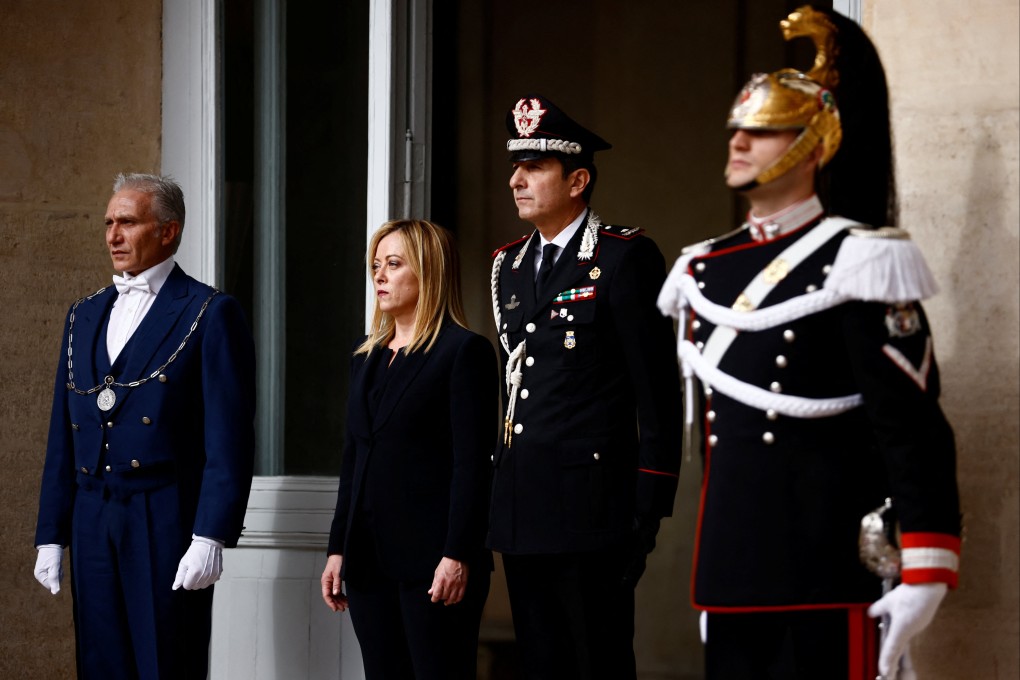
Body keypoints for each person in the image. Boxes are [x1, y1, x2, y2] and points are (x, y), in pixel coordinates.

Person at [657, 7, 961, 680]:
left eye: (763, 131)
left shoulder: (860, 259)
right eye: (738, 128)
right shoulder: (706, 267)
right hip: (733, 572)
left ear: (815, 143)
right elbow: (719, 437)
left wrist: (926, 563)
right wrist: (715, 575)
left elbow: (909, 426)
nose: (738, 143)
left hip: (825, 571)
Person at [488, 94, 683, 680]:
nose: (517, 179)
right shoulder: (509, 265)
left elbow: (658, 393)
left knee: (596, 660)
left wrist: (648, 510)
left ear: (577, 180)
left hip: (594, 508)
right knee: (541, 661)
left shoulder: (624, 258)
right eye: (515, 167)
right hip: (524, 505)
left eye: (535, 167)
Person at [33, 173, 256, 679]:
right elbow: (62, 434)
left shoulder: (208, 311)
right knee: (100, 662)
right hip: (92, 514)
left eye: (127, 222)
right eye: (109, 222)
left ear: (168, 231)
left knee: (166, 661)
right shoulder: (83, 315)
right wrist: (52, 533)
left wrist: (210, 536)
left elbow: (230, 439)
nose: (113, 235)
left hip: (164, 514)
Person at [321, 219, 498, 680]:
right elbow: (353, 458)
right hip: (368, 560)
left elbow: (473, 465)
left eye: (394, 264)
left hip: (435, 563)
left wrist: (458, 553)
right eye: (376, 265)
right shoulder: (366, 355)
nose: (379, 275)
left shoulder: (464, 352)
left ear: (429, 271)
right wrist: (338, 547)